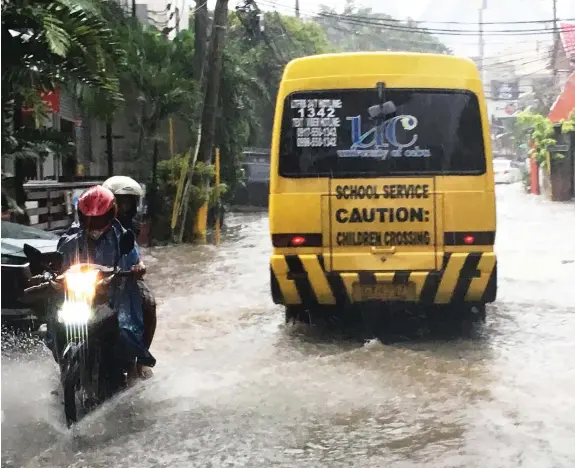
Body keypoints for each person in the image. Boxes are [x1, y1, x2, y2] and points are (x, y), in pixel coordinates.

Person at [57, 185, 155, 379]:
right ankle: (65, 369)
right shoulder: (70, 238)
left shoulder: (122, 235)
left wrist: (137, 268)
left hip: (117, 288)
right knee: (55, 319)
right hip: (81, 293)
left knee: (146, 306)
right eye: (89, 218)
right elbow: (58, 261)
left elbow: (135, 258)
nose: (94, 224)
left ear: (111, 213)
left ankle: (141, 361)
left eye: (99, 218)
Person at [102, 176, 157, 350]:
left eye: (128, 202)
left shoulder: (130, 226)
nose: (124, 207)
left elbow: (134, 251)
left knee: (149, 303)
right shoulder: (89, 222)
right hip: (93, 280)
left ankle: (141, 358)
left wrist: (139, 265)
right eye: (121, 201)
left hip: (123, 276)